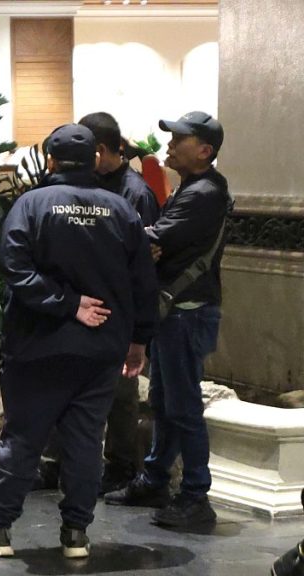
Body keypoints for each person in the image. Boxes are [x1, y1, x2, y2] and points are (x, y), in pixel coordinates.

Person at [0, 124, 157, 559]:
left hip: (38, 346)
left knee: (24, 438)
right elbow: (144, 280)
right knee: (86, 441)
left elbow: (15, 268)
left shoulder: (30, 205)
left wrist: (67, 304)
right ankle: (76, 535)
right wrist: (139, 339)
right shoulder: (121, 210)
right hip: (101, 349)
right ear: (94, 159)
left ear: (50, 160)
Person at [105, 112, 231, 528]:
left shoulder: (204, 193)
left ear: (204, 150)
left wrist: (141, 240)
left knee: (183, 406)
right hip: (176, 312)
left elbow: (152, 239)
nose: (170, 145)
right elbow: (153, 241)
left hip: (187, 313)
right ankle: (156, 480)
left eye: (179, 139)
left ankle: (195, 496)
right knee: (165, 401)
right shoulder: (192, 187)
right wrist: (148, 242)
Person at [79, 112, 161, 495]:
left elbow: (144, 264)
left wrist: (137, 327)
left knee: (122, 392)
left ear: (100, 149)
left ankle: (122, 466)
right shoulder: (87, 185)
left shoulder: (135, 193)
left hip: (120, 309)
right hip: (87, 305)